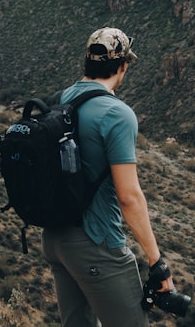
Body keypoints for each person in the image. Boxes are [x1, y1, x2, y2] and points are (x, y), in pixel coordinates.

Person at [42, 27, 179, 326]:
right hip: (96, 241)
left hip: (55, 239)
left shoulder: (61, 99)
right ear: (123, 66)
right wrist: (157, 263)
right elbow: (129, 198)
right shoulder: (117, 114)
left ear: (87, 62)